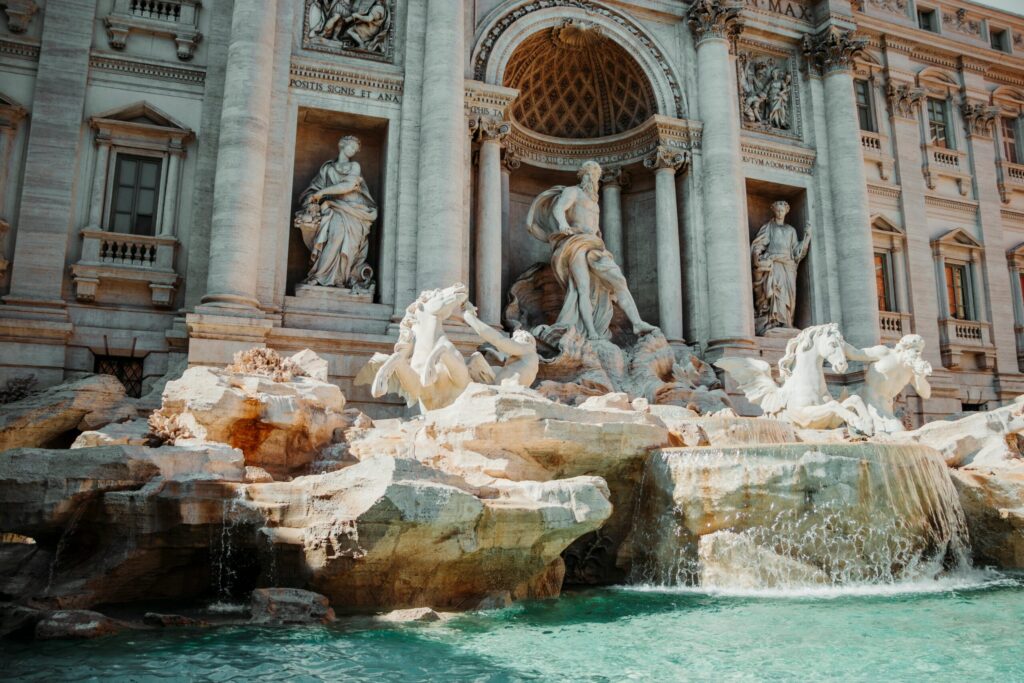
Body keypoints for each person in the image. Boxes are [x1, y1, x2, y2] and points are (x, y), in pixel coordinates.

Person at [525, 160, 657, 341]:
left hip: (595, 245)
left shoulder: (594, 202)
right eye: (589, 174)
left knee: (619, 281)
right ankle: (590, 332)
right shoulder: (573, 192)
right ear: (583, 176)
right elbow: (558, 208)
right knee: (583, 288)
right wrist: (563, 223)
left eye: (595, 176)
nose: (592, 179)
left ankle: (637, 323)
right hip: (575, 242)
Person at [295, 135, 378, 290]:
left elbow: (348, 185)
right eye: (351, 147)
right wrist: (311, 198)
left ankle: (341, 278)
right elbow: (313, 189)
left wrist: (321, 193)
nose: (353, 151)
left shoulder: (354, 166)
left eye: (355, 149)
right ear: (342, 145)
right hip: (334, 209)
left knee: (349, 245)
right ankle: (320, 276)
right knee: (336, 236)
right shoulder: (327, 169)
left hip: (355, 212)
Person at [750, 200, 811, 335]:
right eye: (777, 210)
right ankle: (774, 321)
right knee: (776, 292)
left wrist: (807, 237)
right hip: (774, 263)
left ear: (786, 212)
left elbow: (796, 251)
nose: (779, 213)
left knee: (789, 295)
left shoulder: (791, 230)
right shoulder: (769, 227)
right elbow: (760, 243)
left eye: (782, 211)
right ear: (774, 211)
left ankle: (787, 322)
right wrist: (757, 252)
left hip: (788, 265)